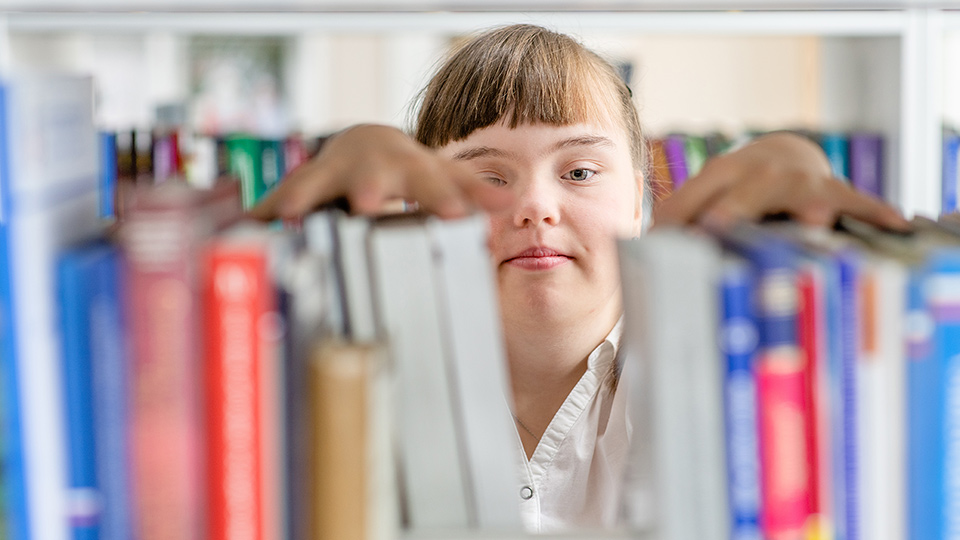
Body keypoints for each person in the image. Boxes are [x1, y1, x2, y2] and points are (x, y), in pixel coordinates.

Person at [251, 24, 908, 532]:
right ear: (420, 209)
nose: (536, 206)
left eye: (580, 172)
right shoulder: (358, 378)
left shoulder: (712, 361)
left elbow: (781, 162)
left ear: (640, 204)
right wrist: (354, 147)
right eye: (488, 176)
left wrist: (790, 156)